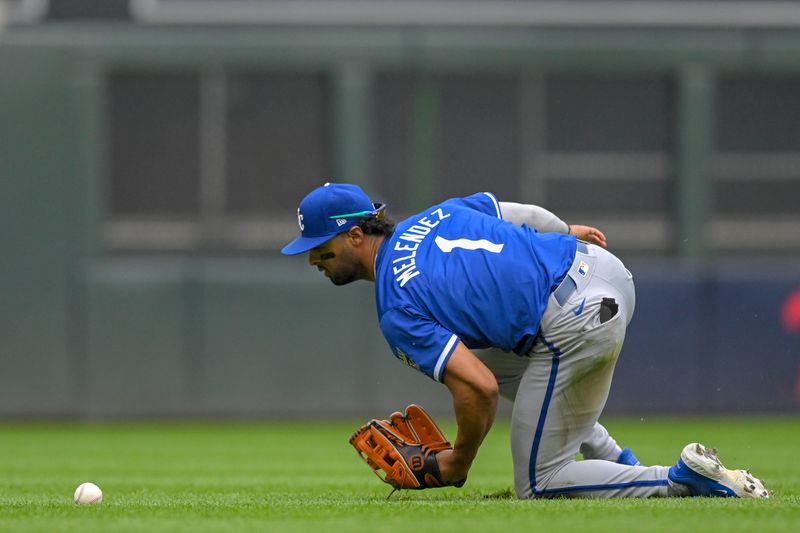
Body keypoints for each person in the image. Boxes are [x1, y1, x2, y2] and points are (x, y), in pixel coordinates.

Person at [282, 182, 770, 499]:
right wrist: (564, 233)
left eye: (318, 248)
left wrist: (457, 461)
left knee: (538, 483)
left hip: (572, 320)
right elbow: (525, 214)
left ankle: (683, 482)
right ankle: (618, 463)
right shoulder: (436, 214)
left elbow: (477, 391)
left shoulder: (395, 306)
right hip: (604, 271)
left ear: (353, 235)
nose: (311, 260)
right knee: (501, 362)